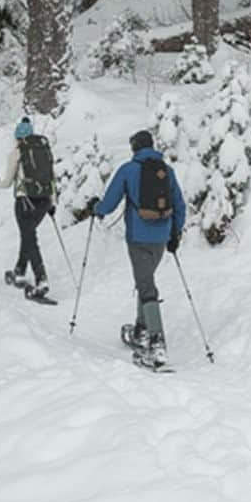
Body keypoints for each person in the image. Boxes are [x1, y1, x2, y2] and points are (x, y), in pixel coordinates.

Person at [90, 129, 186, 368]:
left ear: (134, 148)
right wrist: (175, 234)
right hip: (161, 238)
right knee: (145, 280)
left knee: (146, 285)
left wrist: (96, 209)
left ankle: (156, 344)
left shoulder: (128, 169)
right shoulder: (167, 172)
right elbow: (179, 205)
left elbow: (110, 203)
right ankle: (141, 330)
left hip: (138, 237)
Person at [0, 117, 55, 300]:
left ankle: (41, 280)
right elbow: (52, 178)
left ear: (17, 137)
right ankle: (19, 270)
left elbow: (7, 182)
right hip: (43, 201)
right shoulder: (44, 150)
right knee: (28, 235)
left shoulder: (17, 153)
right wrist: (52, 203)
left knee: (30, 238)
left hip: (24, 201)